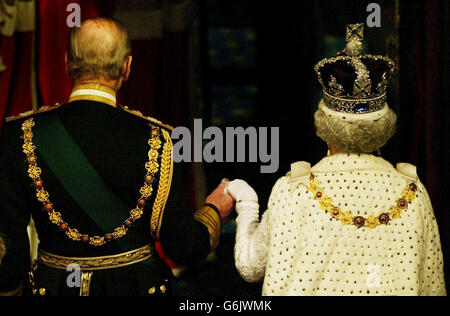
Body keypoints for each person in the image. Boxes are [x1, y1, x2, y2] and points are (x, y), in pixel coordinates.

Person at [0, 17, 234, 296]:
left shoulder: (21, 134)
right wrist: (214, 210)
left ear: (67, 63)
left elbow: (8, 252)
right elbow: (183, 246)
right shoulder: (158, 140)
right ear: (127, 67)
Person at [227, 24, 446, 296]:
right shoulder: (414, 193)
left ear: (324, 127)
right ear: (384, 128)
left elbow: (250, 267)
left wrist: (247, 204)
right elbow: (433, 288)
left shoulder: (292, 190)